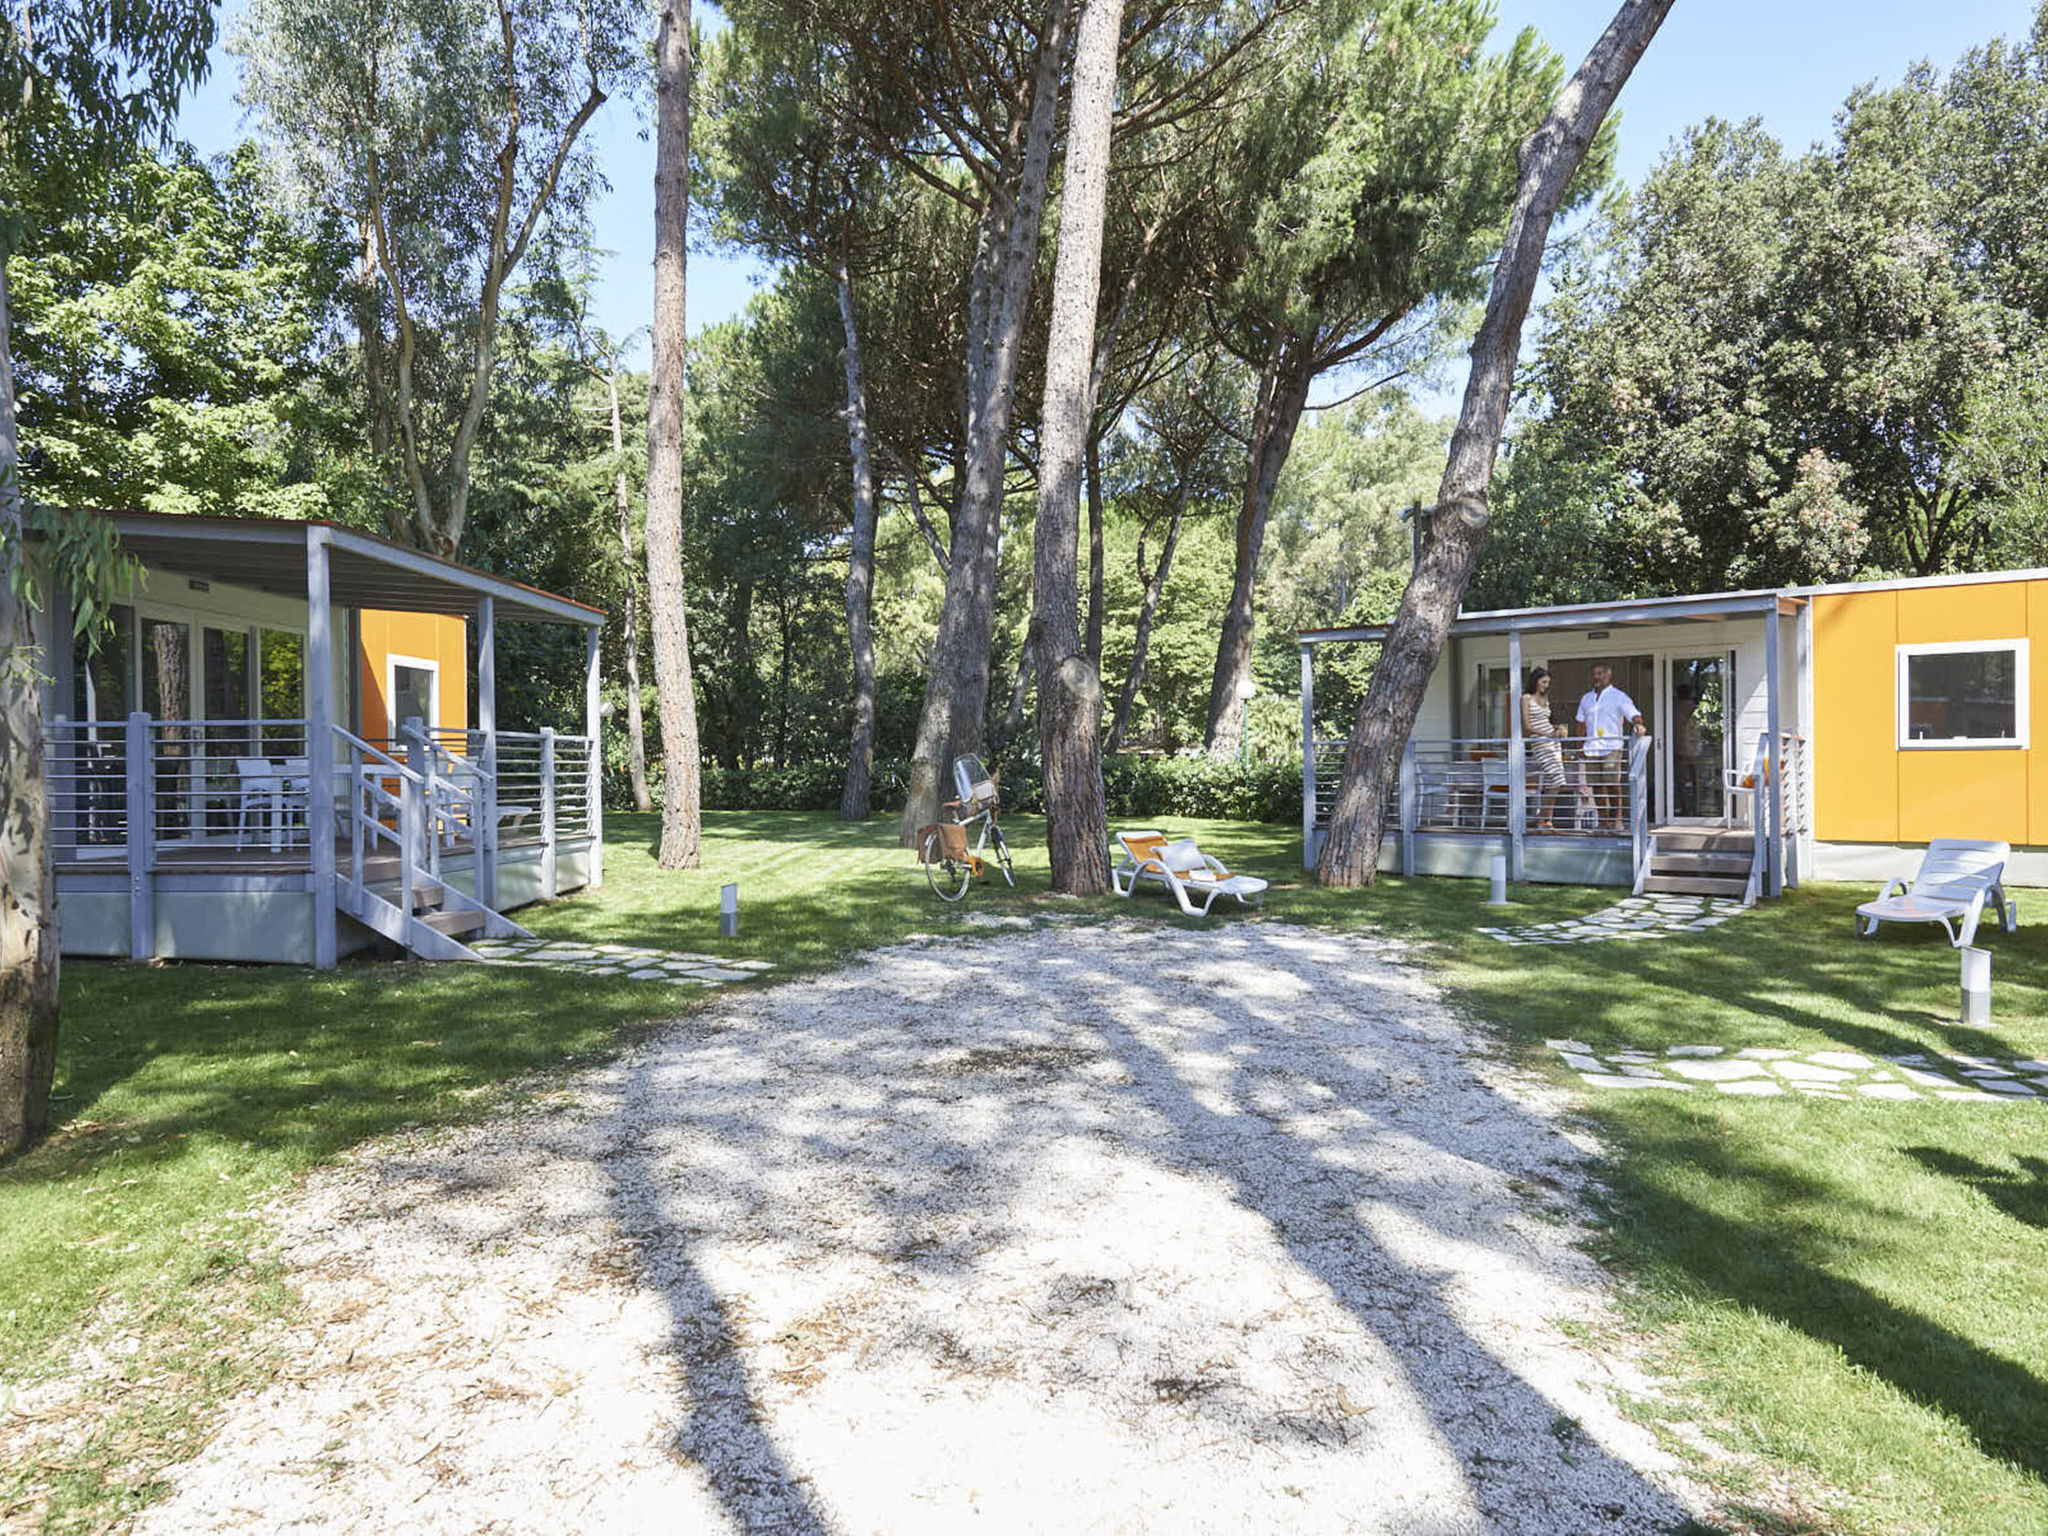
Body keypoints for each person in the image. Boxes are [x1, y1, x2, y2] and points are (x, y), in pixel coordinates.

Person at [1576, 661, 1646, 832]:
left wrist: (1638, 725)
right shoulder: (1586, 698)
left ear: (1608, 675)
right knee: (1596, 786)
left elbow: (1634, 714)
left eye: (1600, 674)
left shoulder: (1618, 696)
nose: (1596, 677)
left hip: (1612, 747)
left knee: (1612, 783)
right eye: (1594, 674)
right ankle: (1603, 821)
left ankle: (1617, 819)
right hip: (1592, 747)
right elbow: (1580, 722)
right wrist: (1579, 746)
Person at [1521, 667, 1568, 832]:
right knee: (1556, 779)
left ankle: (1544, 818)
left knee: (1558, 780)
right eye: (1544, 682)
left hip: (1553, 742)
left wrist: (1556, 729)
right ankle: (1544, 819)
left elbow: (1545, 721)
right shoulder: (1526, 698)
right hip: (1539, 742)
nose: (1546, 685)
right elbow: (1527, 727)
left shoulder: (1545, 698)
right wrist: (1547, 733)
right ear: (1535, 681)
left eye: (1548, 683)